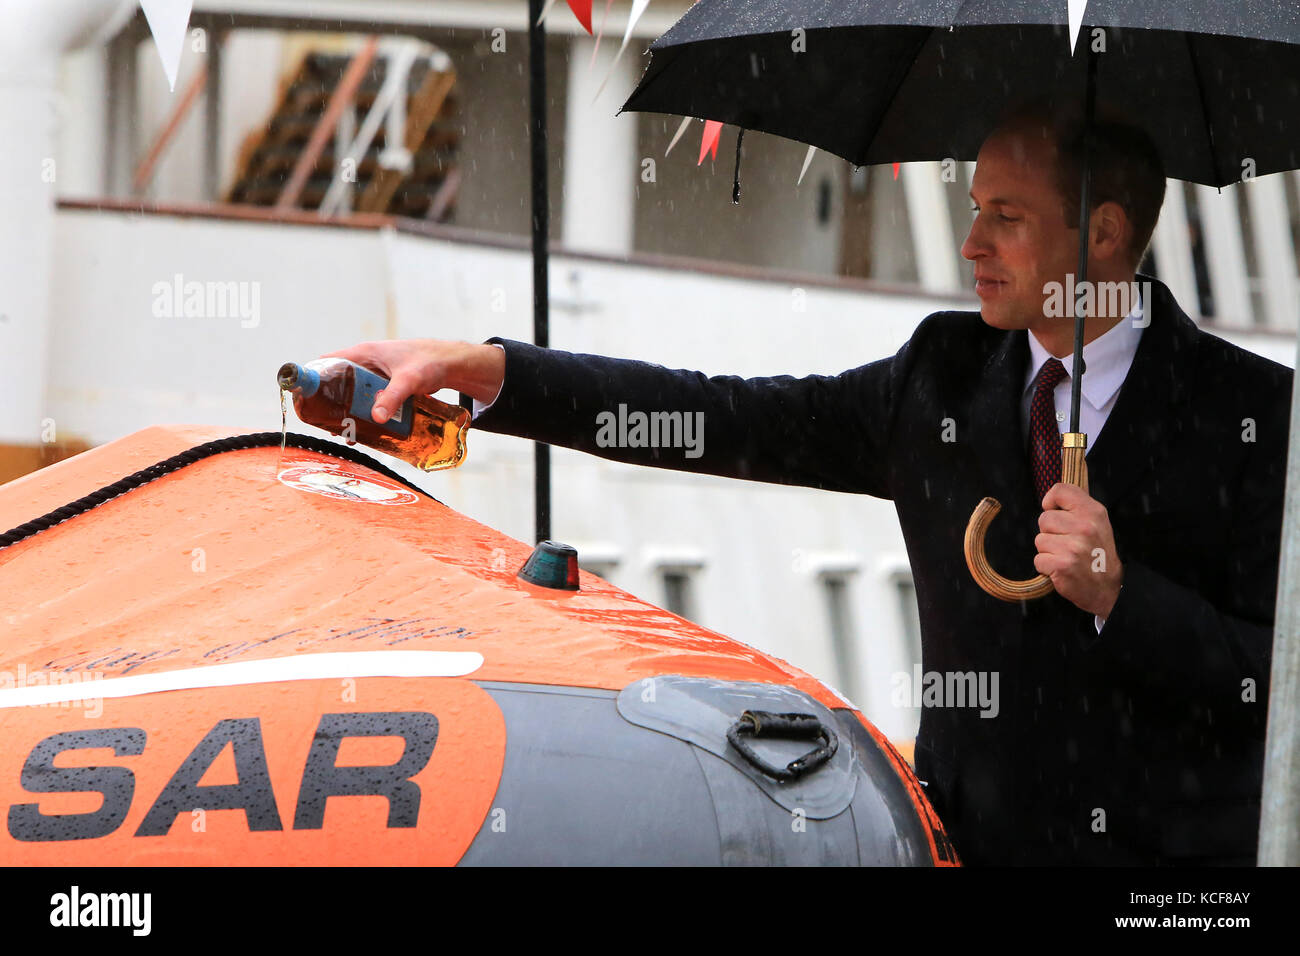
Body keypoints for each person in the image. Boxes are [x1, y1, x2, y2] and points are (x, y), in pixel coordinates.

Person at [323, 104, 1293, 866]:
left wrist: (1122, 597)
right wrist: (494, 371)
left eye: (1007, 217)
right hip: (969, 855)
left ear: (1107, 232)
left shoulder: (1258, 414)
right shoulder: (940, 375)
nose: (971, 246)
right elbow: (724, 417)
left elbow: (1275, 678)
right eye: (972, 210)